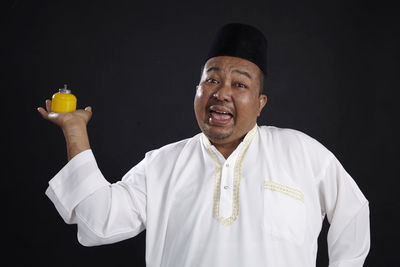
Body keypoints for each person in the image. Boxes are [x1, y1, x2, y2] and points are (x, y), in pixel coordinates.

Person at [37, 23, 370, 267]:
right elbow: (98, 221)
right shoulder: (164, 164)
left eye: (239, 83)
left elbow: (352, 211)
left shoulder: (302, 153)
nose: (222, 92)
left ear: (260, 103)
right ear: (196, 91)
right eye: (211, 79)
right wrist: (74, 129)